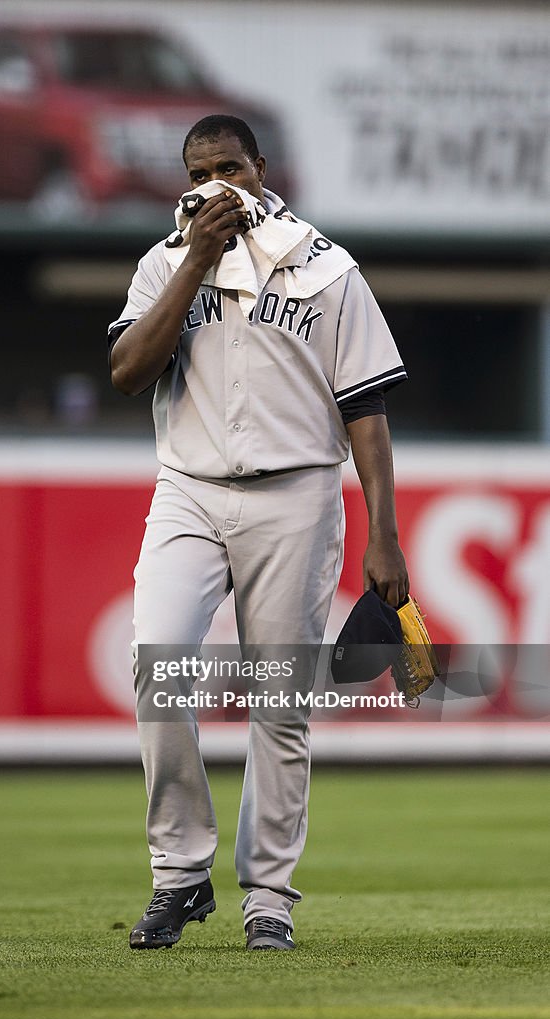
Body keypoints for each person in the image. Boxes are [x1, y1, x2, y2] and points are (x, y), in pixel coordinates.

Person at [109, 114, 409, 951]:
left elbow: (368, 410)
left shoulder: (326, 266)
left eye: (231, 169)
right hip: (190, 491)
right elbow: (129, 373)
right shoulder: (165, 262)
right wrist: (196, 262)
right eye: (201, 173)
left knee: (280, 707)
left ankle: (268, 895)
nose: (218, 186)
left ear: (261, 168)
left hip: (297, 494)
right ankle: (180, 875)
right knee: (155, 662)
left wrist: (384, 534)